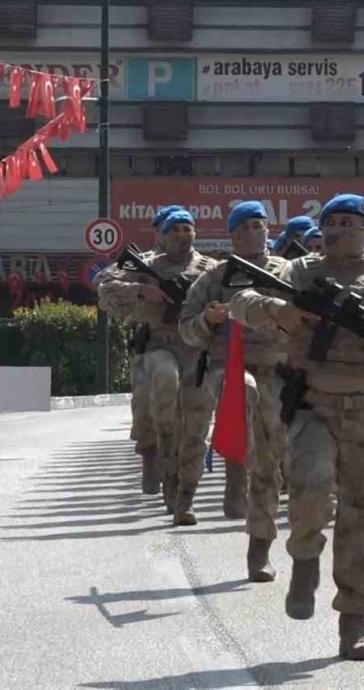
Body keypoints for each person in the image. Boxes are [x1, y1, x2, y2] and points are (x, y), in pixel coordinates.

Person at [228, 193, 364, 661]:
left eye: (349, 221)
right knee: (310, 486)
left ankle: (353, 621)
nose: (339, 229)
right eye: (332, 222)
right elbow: (241, 297)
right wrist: (277, 312)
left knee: (361, 516)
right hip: (312, 406)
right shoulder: (298, 273)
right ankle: (304, 560)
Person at [179, 201, 291, 580]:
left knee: (269, 462)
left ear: (268, 229)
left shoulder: (290, 273)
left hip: (278, 375)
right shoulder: (213, 278)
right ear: (231, 236)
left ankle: (259, 548)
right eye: (242, 228)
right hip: (228, 369)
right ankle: (233, 470)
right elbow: (186, 329)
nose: (250, 233)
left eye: (257, 225)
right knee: (243, 388)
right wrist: (207, 320)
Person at [97, 209, 217, 525]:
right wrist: (141, 290)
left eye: (187, 228)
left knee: (195, 430)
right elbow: (104, 287)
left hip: (197, 350)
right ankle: (156, 455)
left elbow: (237, 298)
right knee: (158, 395)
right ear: (162, 235)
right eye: (174, 229)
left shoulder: (210, 269)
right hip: (158, 346)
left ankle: (185, 497)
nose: (181, 235)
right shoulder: (147, 265)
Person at [109, 203, 182, 495]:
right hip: (147, 346)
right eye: (166, 229)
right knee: (144, 407)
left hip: (187, 344)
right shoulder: (141, 262)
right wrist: (140, 290)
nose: (173, 235)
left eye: (181, 229)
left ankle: (177, 471)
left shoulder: (197, 263)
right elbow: (104, 281)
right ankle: (150, 460)